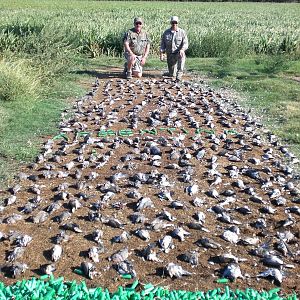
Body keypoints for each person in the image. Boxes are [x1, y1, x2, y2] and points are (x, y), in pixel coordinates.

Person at [160, 16, 188, 81]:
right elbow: (162, 44)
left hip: (178, 53)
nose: (174, 24)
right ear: (171, 23)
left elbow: (186, 43)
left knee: (182, 55)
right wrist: (161, 53)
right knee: (172, 74)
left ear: (178, 23)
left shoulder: (182, 32)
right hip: (170, 55)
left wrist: (182, 50)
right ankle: (171, 73)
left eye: (176, 22)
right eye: (173, 22)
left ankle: (179, 74)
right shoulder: (166, 32)